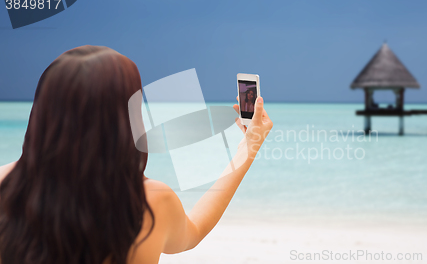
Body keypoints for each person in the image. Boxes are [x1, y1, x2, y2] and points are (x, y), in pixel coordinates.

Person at [0, 45, 273, 264]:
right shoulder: (149, 204)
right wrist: (248, 147)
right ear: (124, 121)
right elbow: (194, 231)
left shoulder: (5, 185)